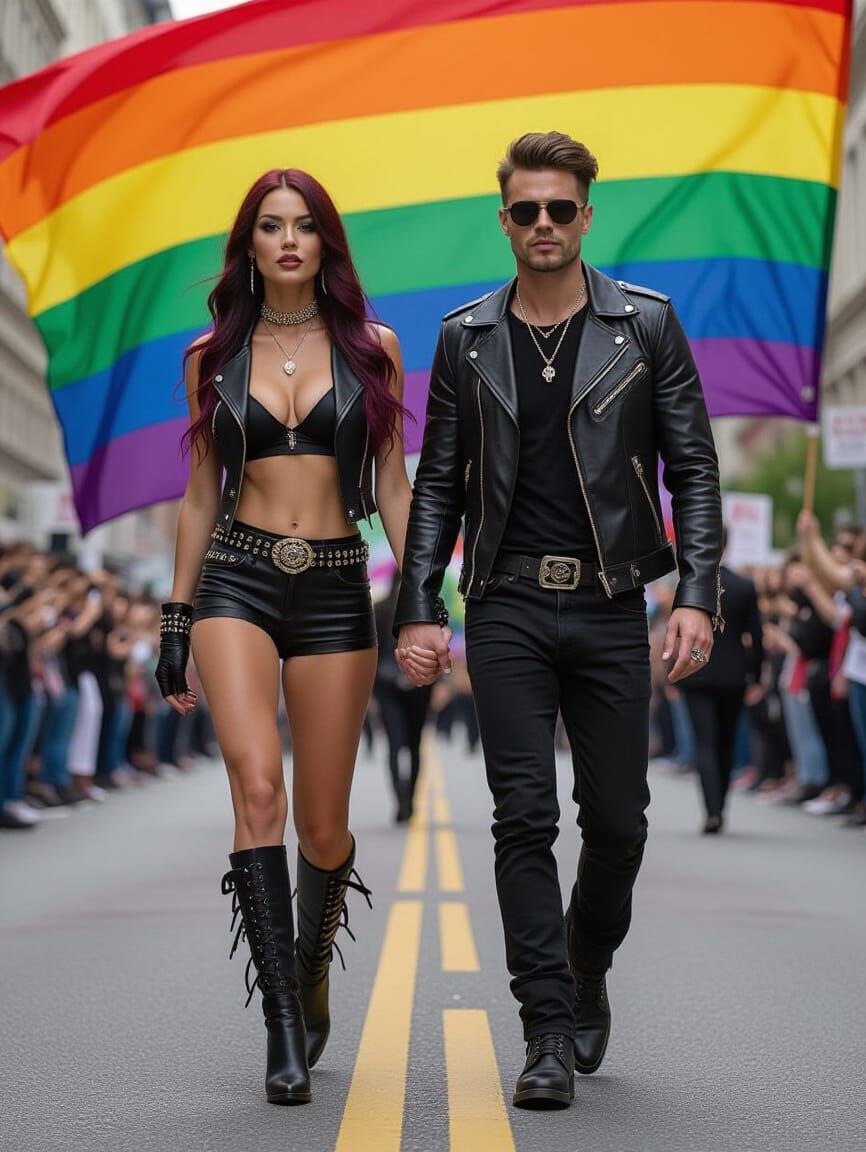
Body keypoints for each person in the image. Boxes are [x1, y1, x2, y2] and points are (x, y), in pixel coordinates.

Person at [394, 132, 723, 1109]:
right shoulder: (464, 338)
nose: (543, 224)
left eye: (560, 209)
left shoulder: (646, 327)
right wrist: (421, 606)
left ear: (586, 215)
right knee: (522, 817)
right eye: (525, 210)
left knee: (617, 824)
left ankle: (585, 961)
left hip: (613, 600)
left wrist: (695, 593)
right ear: (503, 221)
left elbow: (693, 469)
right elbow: (435, 487)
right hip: (504, 607)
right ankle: (542, 1026)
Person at [154, 169, 434, 1105]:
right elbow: (199, 497)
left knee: (324, 827)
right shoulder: (209, 356)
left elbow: (394, 486)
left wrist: (425, 600)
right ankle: (281, 1025)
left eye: (303, 226)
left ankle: (310, 967)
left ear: (325, 244)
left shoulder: (373, 348)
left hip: (336, 588)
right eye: (270, 226)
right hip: (235, 577)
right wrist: (176, 617)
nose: (286, 240)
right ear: (249, 244)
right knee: (258, 788)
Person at [679, 532, 764, 833]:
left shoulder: (689, 583)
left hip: (697, 672)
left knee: (706, 743)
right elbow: (757, 636)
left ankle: (712, 810)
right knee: (725, 742)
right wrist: (755, 674)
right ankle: (720, 807)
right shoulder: (744, 585)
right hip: (733, 675)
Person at [372, 571, 433, 822]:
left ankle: (402, 800)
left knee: (396, 745)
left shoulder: (379, 609)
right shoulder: (425, 608)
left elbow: (371, 651)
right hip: (416, 681)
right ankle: (408, 800)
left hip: (389, 683)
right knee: (412, 743)